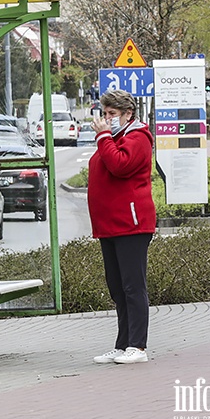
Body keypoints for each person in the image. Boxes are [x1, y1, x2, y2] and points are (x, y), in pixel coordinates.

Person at [87, 89, 156, 365]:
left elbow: (119, 165)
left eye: (112, 114)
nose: (107, 119)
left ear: (128, 114)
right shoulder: (115, 138)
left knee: (132, 286)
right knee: (117, 287)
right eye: (105, 114)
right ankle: (123, 343)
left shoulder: (138, 138)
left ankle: (138, 346)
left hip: (132, 224)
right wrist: (107, 138)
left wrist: (103, 136)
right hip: (110, 226)